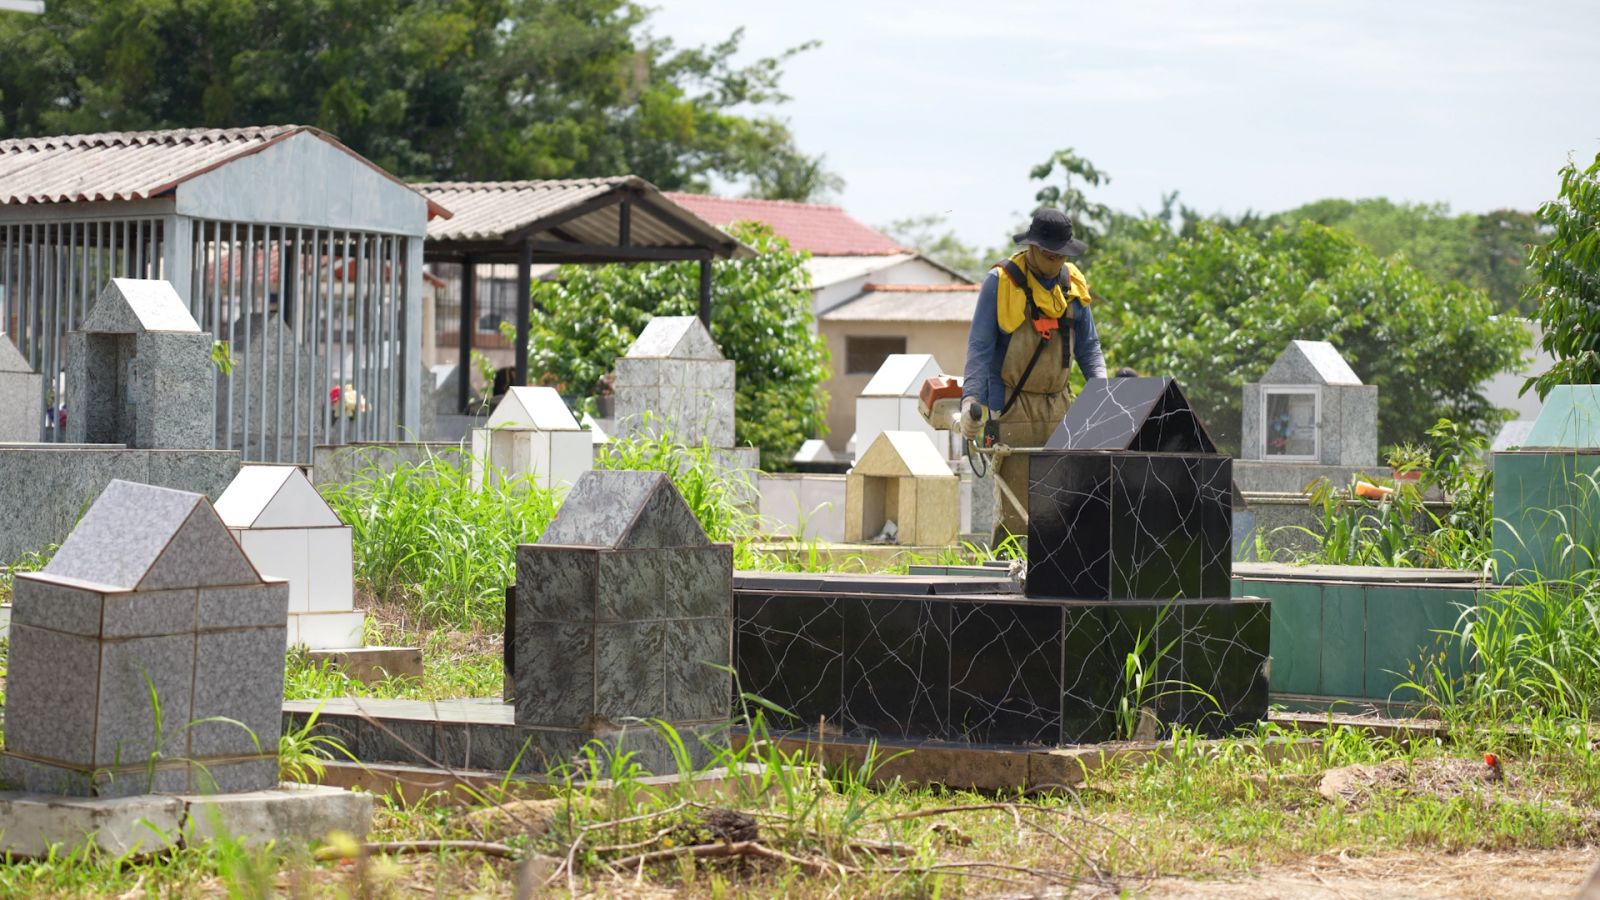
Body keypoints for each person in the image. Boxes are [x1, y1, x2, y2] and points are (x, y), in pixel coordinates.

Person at [961, 208, 1106, 541]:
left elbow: (1089, 349)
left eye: (1060, 255)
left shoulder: (1073, 285)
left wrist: (1104, 392)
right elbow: (979, 349)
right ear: (1032, 247)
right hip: (1011, 405)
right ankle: (1008, 579)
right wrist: (971, 400)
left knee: (1063, 506)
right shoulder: (1002, 283)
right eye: (1048, 254)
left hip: (1059, 406)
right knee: (1017, 511)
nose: (1055, 262)